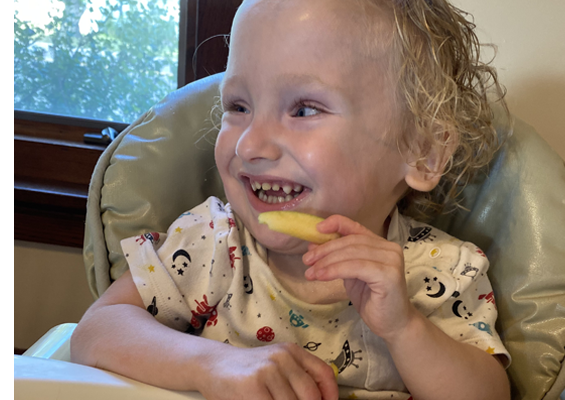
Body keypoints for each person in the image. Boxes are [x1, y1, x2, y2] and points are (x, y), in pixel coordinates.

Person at [70, 1, 511, 399]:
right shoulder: (210, 243)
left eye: (303, 109)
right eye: (238, 106)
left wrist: (404, 328)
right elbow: (96, 331)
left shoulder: (444, 271)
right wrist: (212, 364)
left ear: (422, 152)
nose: (250, 145)